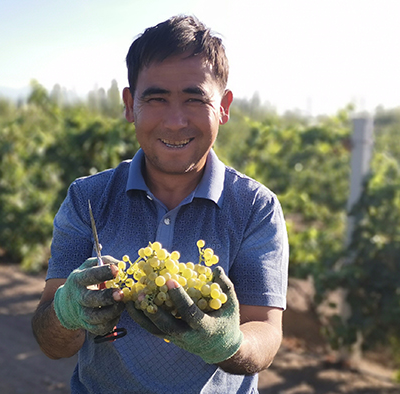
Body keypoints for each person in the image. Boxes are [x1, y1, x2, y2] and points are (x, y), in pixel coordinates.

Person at [31, 15, 289, 393]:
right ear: (129, 104)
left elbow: (265, 331)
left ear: (224, 107)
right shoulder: (88, 198)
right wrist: (68, 312)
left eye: (194, 98)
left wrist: (227, 343)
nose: (174, 121)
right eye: (156, 99)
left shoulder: (255, 207)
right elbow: (51, 341)